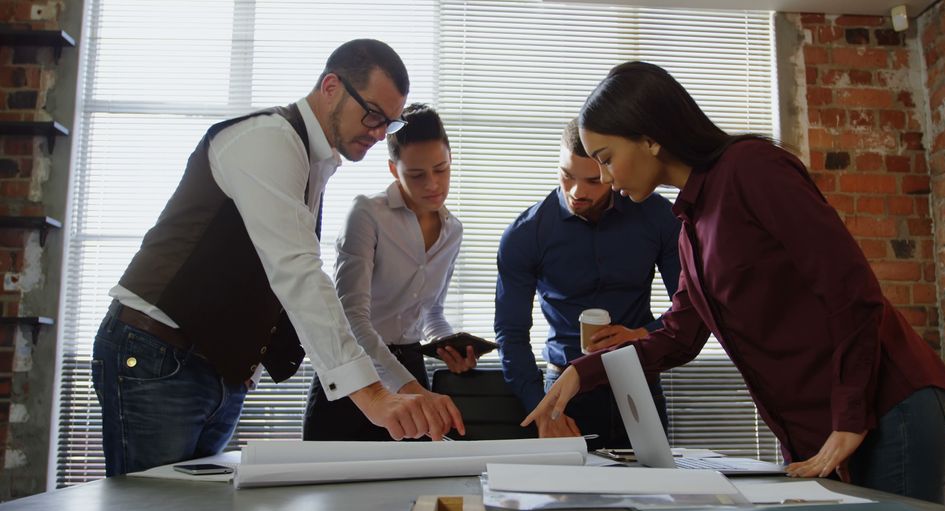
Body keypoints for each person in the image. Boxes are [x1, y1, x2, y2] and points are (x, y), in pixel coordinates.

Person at [524, 62, 945, 503]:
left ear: (650, 139)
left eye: (605, 159)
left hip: (888, 403)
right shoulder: (691, 227)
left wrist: (850, 415)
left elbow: (850, 289)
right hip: (829, 421)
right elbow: (678, 337)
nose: (604, 178)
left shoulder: (751, 169)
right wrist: (583, 372)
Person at [92, 40, 463, 476]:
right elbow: (299, 274)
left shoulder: (314, 161)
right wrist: (375, 395)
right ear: (330, 87)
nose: (381, 133)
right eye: (373, 115)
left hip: (219, 373)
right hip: (158, 354)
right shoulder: (269, 141)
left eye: (390, 121)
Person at [495, 118, 681, 449]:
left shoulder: (656, 217)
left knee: (655, 492)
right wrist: (540, 406)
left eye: (593, 180)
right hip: (565, 390)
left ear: (610, 172)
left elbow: (689, 305)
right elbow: (511, 333)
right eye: (567, 175)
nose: (577, 191)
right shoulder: (525, 234)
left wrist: (644, 333)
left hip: (638, 381)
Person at [304, 103, 477, 441]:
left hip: (409, 363)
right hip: (355, 368)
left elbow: (431, 312)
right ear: (393, 169)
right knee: (327, 484)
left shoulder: (453, 230)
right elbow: (352, 318)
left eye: (441, 169)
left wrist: (447, 343)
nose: (433, 184)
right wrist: (408, 387)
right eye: (416, 174)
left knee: (411, 486)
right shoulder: (367, 214)